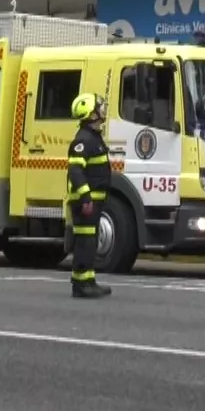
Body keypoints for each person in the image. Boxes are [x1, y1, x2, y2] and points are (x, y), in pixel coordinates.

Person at [65, 92, 113, 299]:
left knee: (90, 240)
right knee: (85, 241)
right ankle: (81, 284)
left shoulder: (93, 138)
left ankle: (88, 280)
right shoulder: (83, 140)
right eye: (99, 107)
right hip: (86, 201)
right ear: (91, 114)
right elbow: (76, 172)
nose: (102, 110)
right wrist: (86, 198)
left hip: (94, 199)